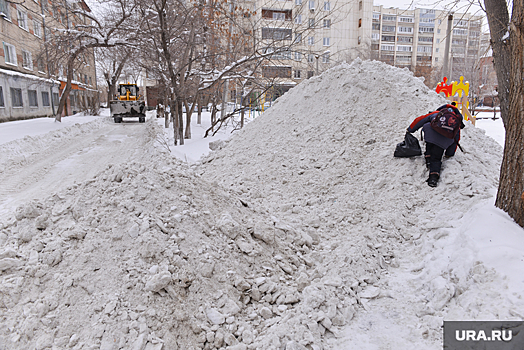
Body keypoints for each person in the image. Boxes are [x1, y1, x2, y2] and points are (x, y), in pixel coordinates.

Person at [407, 102, 465, 187]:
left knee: (429, 130)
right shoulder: (456, 121)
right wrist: (449, 153)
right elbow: (456, 138)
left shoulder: (437, 114)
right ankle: (433, 177)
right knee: (436, 158)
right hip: (444, 141)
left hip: (430, 136)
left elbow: (420, 120)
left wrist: (410, 129)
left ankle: (428, 157)